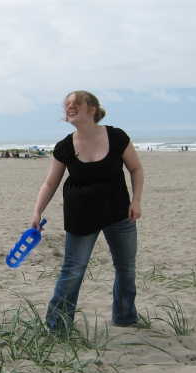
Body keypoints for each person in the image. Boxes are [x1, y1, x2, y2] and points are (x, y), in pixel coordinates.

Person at [31, 90, 144, 332]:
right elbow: (50, 183)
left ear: (92, 109)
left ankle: (125, 316)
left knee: (126, 267)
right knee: (72, 270)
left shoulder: (116, 137)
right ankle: (57, 325)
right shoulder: (64, 147)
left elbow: (135, 169)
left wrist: (136, 201)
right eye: (67, 105)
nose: (69, 108)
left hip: (118, 213)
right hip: (81, 216)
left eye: (75, 104)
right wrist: (37, 211)